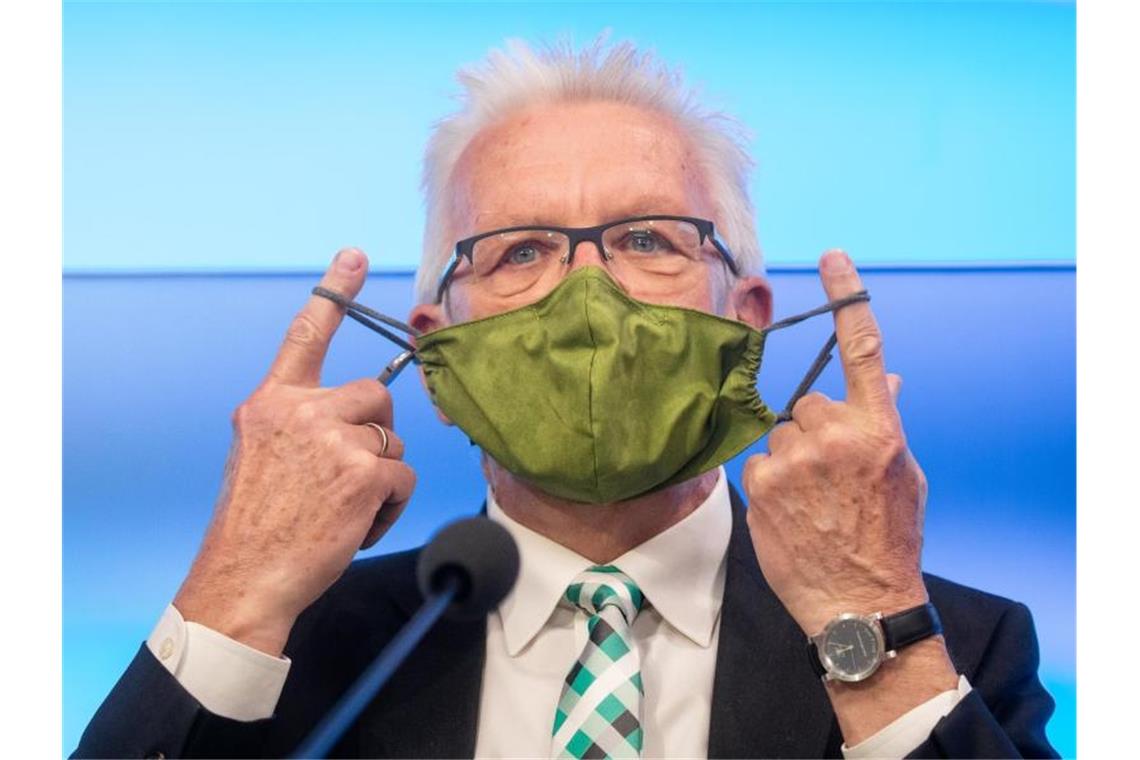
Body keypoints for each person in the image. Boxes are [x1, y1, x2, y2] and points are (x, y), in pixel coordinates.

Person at [73, 39, 1057, 759]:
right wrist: (236, 583)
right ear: (435, 354)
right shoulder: (301, 645)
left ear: (749, 323)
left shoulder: (955, 644)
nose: (586, 298)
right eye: (522, 250)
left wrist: (869, 625)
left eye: (647, 239)